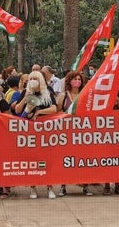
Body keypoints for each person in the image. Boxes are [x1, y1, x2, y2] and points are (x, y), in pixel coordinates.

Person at [14, 70, 58, 199]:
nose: (33, 80)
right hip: (30, 133)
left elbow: (54, 108)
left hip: (45, 133)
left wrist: (39, 112)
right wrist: (25, 100)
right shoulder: (25, 92)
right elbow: (17, 110)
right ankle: (33, 187)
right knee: (32, 160)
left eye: (36, 78)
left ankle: (49, 186)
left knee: (47, 159)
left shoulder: (48, 92)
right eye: (31, 78)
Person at [56, 70, 93, 196]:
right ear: (69, 81)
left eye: (79, 79)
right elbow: (58, 112)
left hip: (82, 135)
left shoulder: (86, 95)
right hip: (66, 135)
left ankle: (86, 186)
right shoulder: (63, 96)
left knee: (84, 161)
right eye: (74, 79)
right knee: (65, 160)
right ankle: (63, 186)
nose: (77, 81)